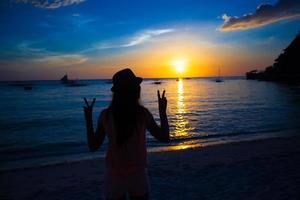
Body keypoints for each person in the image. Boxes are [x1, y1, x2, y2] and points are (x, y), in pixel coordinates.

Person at [83, 68, 170, 200]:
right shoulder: (142, 114)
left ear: (116, 93)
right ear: (135, 91)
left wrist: (88, 120)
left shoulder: (106, 115)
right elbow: (165, 138)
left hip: (114, 177)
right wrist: (162, 112)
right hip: (138, 175)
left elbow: (93, 146)